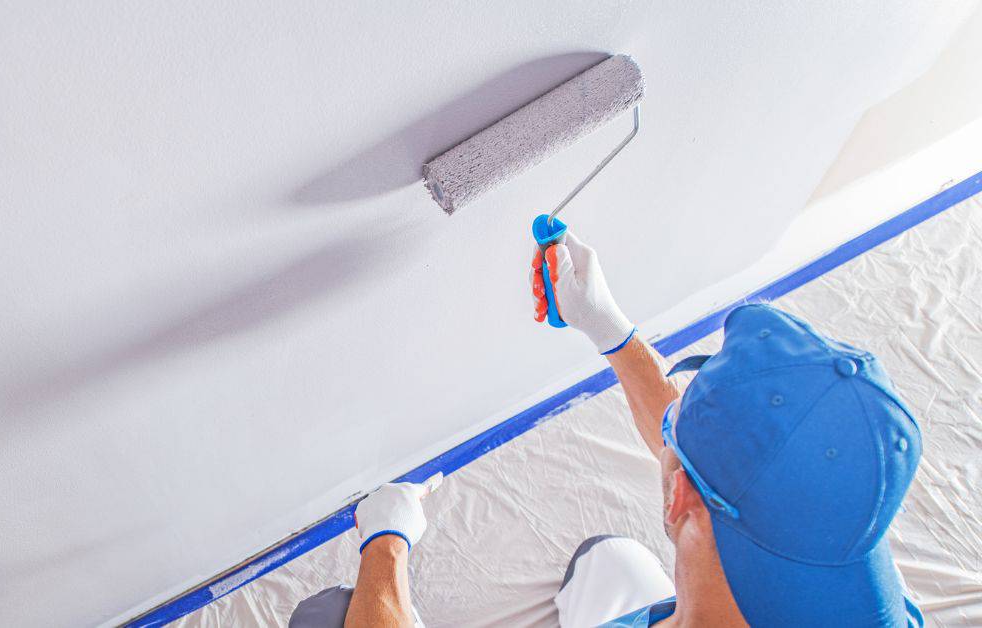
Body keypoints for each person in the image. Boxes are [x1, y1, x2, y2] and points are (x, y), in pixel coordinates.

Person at [291, 229, 925, 627]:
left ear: (676, 498)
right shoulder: (862, 585)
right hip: (676, 606)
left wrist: (389, 537)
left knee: (330, 617)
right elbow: (711, 456)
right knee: (609, 562)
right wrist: (609, 330)